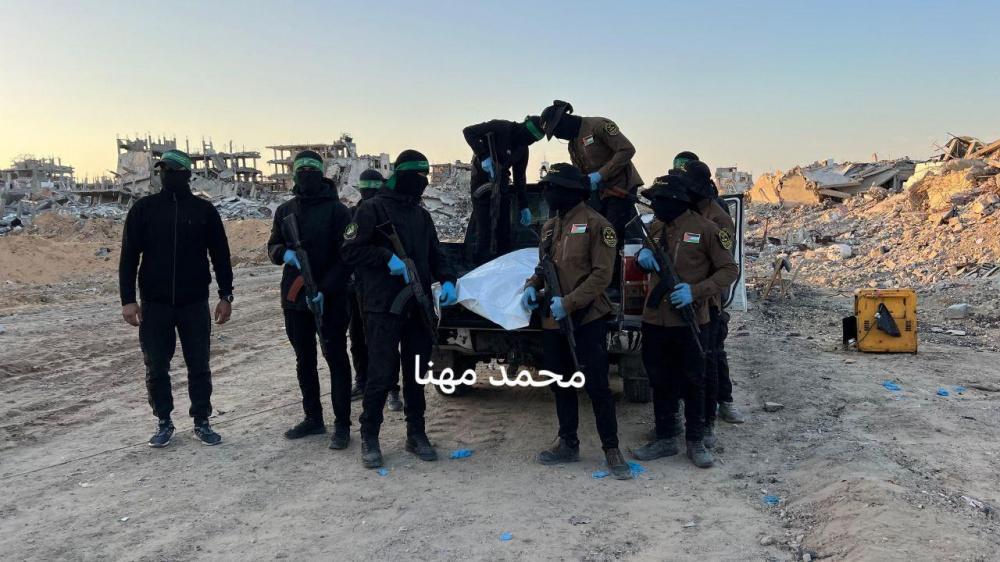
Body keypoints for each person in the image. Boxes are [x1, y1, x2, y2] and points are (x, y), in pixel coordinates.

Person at [342, 150, 459, 469]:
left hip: (416, 307)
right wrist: (386, 258)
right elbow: (349, 251)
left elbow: (436, 254)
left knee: (416, 373)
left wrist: (449, 279)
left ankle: (416, 434)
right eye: (419, 177)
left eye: (426, 177)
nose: (423, 183)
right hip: (382, 307)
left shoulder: (421, 216)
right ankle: (370, 436)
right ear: (404, 176)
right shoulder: (371, 209)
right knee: (381, 373)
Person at [520, 163, 631, 480]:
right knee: (560, 383)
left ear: (570, 192)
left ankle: (611, 448)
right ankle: (567, 442)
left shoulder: (599, 225)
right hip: (554, 322)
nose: (547, 193)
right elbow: (544, 267)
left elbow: (602, 275)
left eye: (552, 188)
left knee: (597, 386)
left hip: (587, 318)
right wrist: (531, 287)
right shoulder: (549, 227)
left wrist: (569, 303)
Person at [119, 149, 233, 448]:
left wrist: (226, 295)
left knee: (199, 365)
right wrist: (127, 299)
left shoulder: (204, 211)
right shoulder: (144, 209)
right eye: (163, 170)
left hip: (194, 302)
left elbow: (221, 255)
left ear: (186, 174)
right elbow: (128, 256)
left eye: (172, 170)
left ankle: (202, 420)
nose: (166, 175)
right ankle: (164, 421)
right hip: (155, 304)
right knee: (156, 366)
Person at [631, 175, 737, 468]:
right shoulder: (656, 227)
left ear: (675, 202)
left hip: (690, 319)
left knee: (694, 381)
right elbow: (643, 256)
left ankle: (695, 440)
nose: (655, 206)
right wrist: (642, 256)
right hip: (655, 318)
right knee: (659, 379)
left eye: (659, 201)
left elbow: (729, 270)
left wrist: (695, 291)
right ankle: (665, 436)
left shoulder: (707, 230)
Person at [267, 150, 354, 449]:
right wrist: (284, 253)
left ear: (321, 174)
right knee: (304, 360)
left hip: (331, 298)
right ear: (294, 175)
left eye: (311, 170)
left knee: (336, 359)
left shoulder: (340, 212)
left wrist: (325, 289)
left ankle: (342, 425)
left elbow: (348, 257)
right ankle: (313, 418)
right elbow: (272, 246)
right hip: (295, 300)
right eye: (300, 169)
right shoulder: (285, 211)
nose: (305, 175)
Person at [673, 153, 746, 427]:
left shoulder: (718, 216)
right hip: (688, 295)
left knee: (712, 355)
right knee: (691, 356)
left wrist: (698, 289)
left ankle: (720, 405)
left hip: (709, 296)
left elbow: (723, 266)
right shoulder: (686, 210)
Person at [539, 100, 643, 290]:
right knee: (591, 231)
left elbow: (627, 149)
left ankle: (612, 283)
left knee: (612, 231)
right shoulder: (573, 145)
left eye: (557, 131)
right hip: (599, 192)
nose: (558, 136)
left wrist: (601, 174)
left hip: (621, 188)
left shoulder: (599, 126)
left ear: (564, 120)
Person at [347, 169, 403, 413]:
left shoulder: (387, 213)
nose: (369, 193)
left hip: (383, 290)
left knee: (385, 342)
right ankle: (362, 381)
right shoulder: (353, 215)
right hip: (357, 289)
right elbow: (346, 250)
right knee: (358, 339)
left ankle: (392, 389)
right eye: (366, 189)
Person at [462, 116, 543, 264]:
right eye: (528, 137)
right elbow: (468, 132)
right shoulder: (501, 127)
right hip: (482, 181)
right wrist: (484, 156)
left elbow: (520, 178)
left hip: (502, 184)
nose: (528, 142)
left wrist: (524, 206)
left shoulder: (522, 149)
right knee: (484, 232)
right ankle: (480, 267)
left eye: (532, 141)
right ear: (524, 129)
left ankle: (503, 266)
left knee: (504, 232)